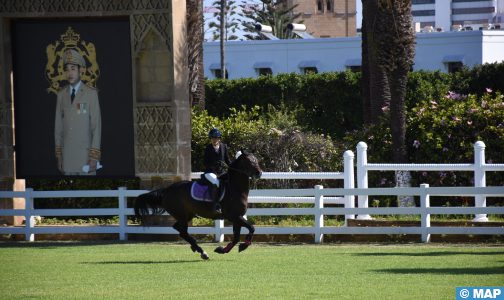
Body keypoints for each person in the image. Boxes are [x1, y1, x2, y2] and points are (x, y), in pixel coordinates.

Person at [54, 49, 102, 175]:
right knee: (69, 194)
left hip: (85, 159)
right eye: (67, 69)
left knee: (87, 194)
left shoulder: (91, 94)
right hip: (67, 158)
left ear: (80, 70)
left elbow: (96, 127)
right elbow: (58, 127)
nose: (70, 73)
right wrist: (59, 155)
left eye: (73, 68)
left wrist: (94, 156)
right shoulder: (61, 95)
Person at [202, 128, 231, 213]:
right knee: (216, 182)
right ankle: (216, 204)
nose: (214, 140)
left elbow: (227, 159)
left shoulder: (223, 146)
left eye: (216, 138)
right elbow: (205, 162)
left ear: (219, 138)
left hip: (221, 172)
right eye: (213, 138)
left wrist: (232, 167)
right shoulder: (208, 148)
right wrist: (213, 166)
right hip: (210, 172)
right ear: (210, 139)